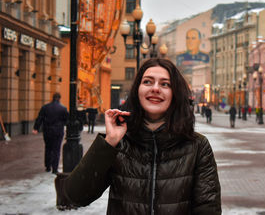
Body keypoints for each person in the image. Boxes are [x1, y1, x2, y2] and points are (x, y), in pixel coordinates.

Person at [57, 58, 221, 214]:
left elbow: (208, 208)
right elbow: (76, 196)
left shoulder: (197, 146)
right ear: (137, 90)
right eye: (147, 82)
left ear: (175, 94)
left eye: (165, 84)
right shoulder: (120, 143)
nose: (155, 88)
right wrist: (109, 142)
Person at [32, 92, 69, 174]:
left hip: (47, 131)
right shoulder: (63, 108)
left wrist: (36, 128)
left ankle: (48, 166)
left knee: (48, 148)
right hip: (58, 131)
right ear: (59, 98)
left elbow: (40, 118)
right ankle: (55, 169)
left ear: (52, 98)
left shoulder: (45, 107)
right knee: (56, 149)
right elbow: (67, 120)